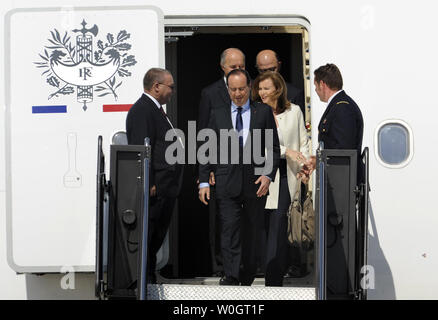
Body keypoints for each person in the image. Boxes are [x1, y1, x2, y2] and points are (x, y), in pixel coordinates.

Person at [198, 69, 280, 286]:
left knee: (253, 231)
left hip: (255, 182)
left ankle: (248, 273)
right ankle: (231, 275)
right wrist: (204, 180)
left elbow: (272, 147)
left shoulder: (262, 112)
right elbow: (206, 147)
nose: (237, 93)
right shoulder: (218, 113)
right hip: (226, 181)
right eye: (233, 89)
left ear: (249, 87)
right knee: (229, 230)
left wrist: (268, 175)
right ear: (228, 89)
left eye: (241, 89)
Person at [251, 71, 310, 286]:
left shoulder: (294, 111)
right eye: (259, 88)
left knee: (278, 225)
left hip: (285, 177)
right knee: (261, 227)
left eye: (266, 88)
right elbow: (261, 145)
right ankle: (255, 268)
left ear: (278, 89)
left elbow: (303, 141)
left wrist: (305, 165)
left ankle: (273, 278)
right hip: (261, 174)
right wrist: (287, 151)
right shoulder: (255, 112)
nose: (262, 92)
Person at [126, 67, 183, 283]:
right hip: (155, 186)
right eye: (171, 87)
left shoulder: (155, 109)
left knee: (157, 233)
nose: (173, 91)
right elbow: (142, 147)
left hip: (164, 186)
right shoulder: (143, 110)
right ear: (156, 86)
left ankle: (148, 274)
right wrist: (147, 180)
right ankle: (144, 278)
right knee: (149, 233)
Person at [197, 48, 246, 274]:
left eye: (241, 67)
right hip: (222, 169)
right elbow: (205, 135)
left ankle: (246, 264)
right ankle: (220, 266)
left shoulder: (251, 88)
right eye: (233, 67)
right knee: (222, 221)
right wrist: (206, 173)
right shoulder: (210, 93)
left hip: (248, 168)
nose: (237, 70)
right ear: (223, 68)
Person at [299, 63, 364, 182]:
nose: (315, 90)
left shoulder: (342, 108)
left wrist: (318, 161)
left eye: (315, 86)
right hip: (339, 181)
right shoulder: (338, 106)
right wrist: (315, 161)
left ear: (322, 84)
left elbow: (343, 151)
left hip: (343, 183)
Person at [256, 49, 305, 116]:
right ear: (257, 68)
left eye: (272, 69)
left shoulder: (295, 94)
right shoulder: (252, 94)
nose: (268, 74)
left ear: (279, 65)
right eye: (263, 71)